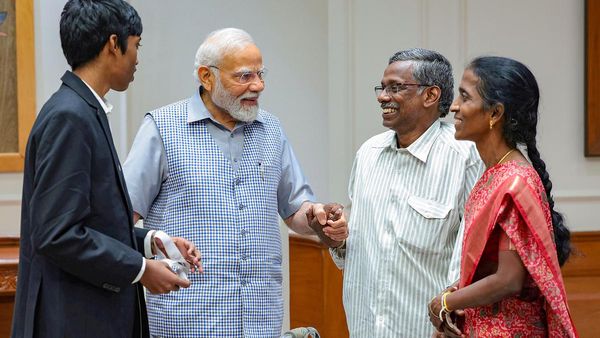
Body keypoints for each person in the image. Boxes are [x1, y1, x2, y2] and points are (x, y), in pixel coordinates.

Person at [123, 27, 348, 337]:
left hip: (261, 321)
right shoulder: (161, 128)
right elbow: (124, 220)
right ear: (206, 76)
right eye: (244, 76)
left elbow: (295, 210)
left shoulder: (271, 129)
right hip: (188, 320)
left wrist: (317, 216)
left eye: (260, 74)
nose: (258, 85)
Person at [11, 1, 200, 337]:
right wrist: (142, 270)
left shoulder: (83, 109)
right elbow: (59, 234)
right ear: (114, 44)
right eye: (136, 45)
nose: (138, 58)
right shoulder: (70, 116)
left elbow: (92, 221)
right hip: (73, 321)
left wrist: (150, 241)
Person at [329, 48, 483, 337]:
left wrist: (451, 314)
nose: (382, 96)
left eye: (396, 87)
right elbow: (355, 249)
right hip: (365, 327)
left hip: (427, 330)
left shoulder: (464, 156)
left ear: (430, 95)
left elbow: (471, 256)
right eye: (382, 87)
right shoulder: (368, 154)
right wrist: (336, 235)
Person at [428, 56, 578, 337]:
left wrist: (444, 302)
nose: (453, 107)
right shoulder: (496, 173)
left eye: (465, 96)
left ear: (495, 113)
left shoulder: (515, 181)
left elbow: (509, 280)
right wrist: (455, 294)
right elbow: (489, 267)